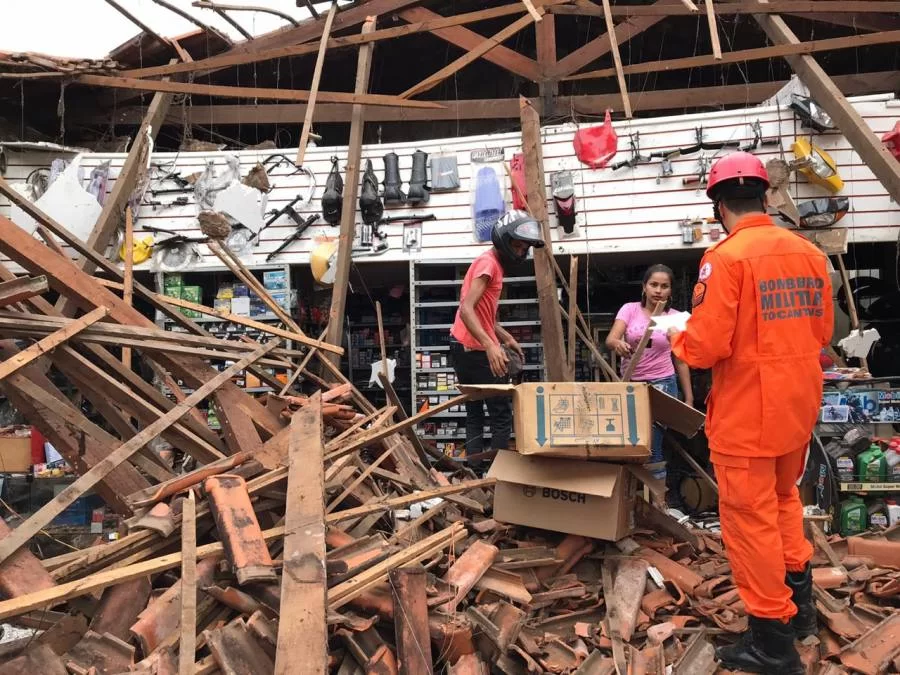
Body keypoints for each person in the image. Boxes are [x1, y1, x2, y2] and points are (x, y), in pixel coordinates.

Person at [667, 152, 833, 674]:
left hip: (748, 414)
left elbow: (706, 346)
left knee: (748, 520)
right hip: (797, 404)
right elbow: (822, 333)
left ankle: (772, 642)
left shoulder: (726, 258)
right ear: (765, 196)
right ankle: (800, 607)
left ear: (718, 205)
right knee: (785, 501)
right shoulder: (808, 253)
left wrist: (678, 336)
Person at [450, 210, 545, 469]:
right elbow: (466, 309)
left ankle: (474, 473)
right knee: (500, 414)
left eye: (524, 247)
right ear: (503, 240)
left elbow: (482, 313)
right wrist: (492, 345)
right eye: (517, 245)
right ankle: (496, 477)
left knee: (475, 413)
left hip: (461, 345)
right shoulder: (488, 264)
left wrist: (505, 337)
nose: (520, 252)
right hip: (476, 350)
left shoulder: (488, 262)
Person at [606, 264, 694, 479]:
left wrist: (689, 398)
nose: (658, 290)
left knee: (652, 445)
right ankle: (634, 498)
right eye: (653, 284)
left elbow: (681, 360)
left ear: (670, 290)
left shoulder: (676, 318)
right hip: (631, 385)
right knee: (630, 442)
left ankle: (657, 501)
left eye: (664, 286)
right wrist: (617, 344)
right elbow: (610, 339)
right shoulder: (629, 309)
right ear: (644, 287)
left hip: (662, 384)